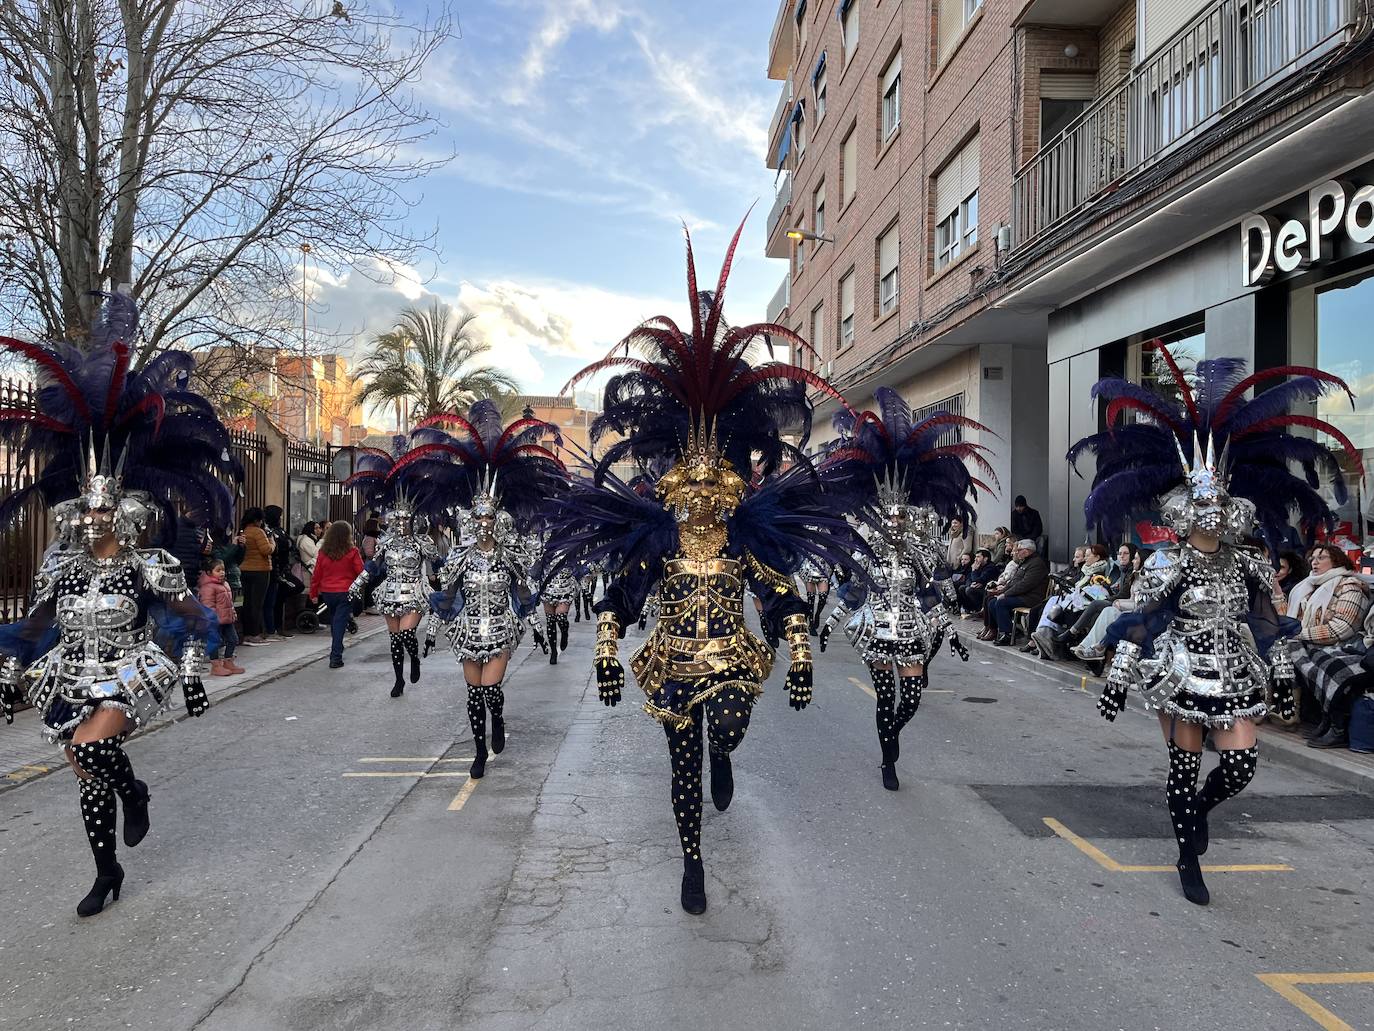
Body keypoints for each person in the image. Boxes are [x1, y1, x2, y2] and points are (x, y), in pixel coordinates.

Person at [544, 228, 866, 915]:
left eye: (708, 492)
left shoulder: (742, 539)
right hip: (672, 662)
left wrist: (800, 652)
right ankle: (692, 860)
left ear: (725, 489)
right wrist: (605, 650)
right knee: (679, 763)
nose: (697, 504)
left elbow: (779, 596)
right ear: (674, 489)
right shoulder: (660, 542)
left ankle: (726, 753)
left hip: (732, 662)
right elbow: (621, 595)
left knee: (725, 729)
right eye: (687, 493)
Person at [1071, 344, 1357, 906]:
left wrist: (1280, 674)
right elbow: (1143, 618)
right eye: (1205, 505)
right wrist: (1118, 675)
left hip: (1235, 667)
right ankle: (1187, 857)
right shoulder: (1168, 562)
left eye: (1221, 504)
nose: (1214, 514)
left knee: (1241, 765)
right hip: (1182, 667)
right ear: (1186, 509)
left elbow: (1268, 619)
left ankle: (1201, 808)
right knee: (1183, 765)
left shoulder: (1248, 562)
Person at [0, 294, 237, 917]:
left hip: (129, 671)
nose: (94, 518)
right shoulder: (61, 565)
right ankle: (107, 872)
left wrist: (193, 675)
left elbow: (191, 619)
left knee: (92, 752)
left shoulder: (146, 564)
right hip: (70, 673)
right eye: (88, 508)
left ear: (123, 511)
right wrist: (7, 673)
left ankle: (136, 792)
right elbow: (36, 624)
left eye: (104, 509)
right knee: (84, 775)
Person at [818, 388, 984, 791]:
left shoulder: (917, 552)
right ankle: (887, 760)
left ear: (907, 517)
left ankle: (891, 733)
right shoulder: (870, 550)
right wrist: (830, 623)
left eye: (899, 519)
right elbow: (854, 592)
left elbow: (929, 596)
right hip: (875, 628)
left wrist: (951, 634)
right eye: (888, 518)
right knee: (884, 696)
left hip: (910, 631)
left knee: (909, 699)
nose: (894, 524)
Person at [425, 400, 564, 781]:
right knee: (473, 695)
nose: (483, 523)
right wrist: (432, 632)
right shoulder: (460, 557)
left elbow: (524, 597)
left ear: (497, 518)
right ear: (472, 519)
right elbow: (447, 596)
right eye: (478, 517)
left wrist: (538, 630)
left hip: (501, 628)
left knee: (490, 692)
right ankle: (478, 751)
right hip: (468, 630)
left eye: (489, 516)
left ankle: (498, 720)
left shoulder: (509, 556)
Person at [345, 443, 444, 697]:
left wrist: (445, 588)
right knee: (395, 639)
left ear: (412, 520)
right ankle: (398, 679)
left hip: (414, 593)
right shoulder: (386, 543)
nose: (401, 524)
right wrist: (357, 583)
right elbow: (373, 565)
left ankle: (415, 659)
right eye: (397, 519)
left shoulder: (422, 543)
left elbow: (437, 566)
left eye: (405, 520)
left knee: (408, 634)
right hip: (390, 593)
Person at [1288, 544, 1372, 749]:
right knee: (1283, 649)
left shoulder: (1349, 586)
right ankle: (1291, 710)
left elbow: (1341, 629)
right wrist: (1276, 593)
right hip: (1313, 641)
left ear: (1336, 560)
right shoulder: (1307, 586)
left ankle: (1336, 725)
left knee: (1333, 667)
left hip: (1341, 643)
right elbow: (1289, 619)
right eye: (1312, 558)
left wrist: (1299, 635)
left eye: (1321, 557)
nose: (1314, 562)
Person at [1030, 542, 1114, 658]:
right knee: (1051, 602)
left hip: (1086, 602)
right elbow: (1074, 582)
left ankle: (1046, 637)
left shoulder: (1099, 572)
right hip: (1079, 600)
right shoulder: (1086, 570)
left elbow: (1096, 591)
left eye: (1087, 555)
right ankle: (1044, 634)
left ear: (1097, 557)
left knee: (1054, 604)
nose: (1085, 558)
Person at [1073, 547, 1152, 662]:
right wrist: (1118, 602)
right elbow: (1131, 599)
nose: (1133, 561)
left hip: (1138, 615)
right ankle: (1087, 646)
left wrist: (1120, 603)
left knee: (1105, 609)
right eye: (1119, 553)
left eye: (1135, 559)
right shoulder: (1135, 576)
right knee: (1107, 610)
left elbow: (1141, 604)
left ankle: (1093, 647)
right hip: (1127, 609)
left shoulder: (1147, 581)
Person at [310, 521, 365, 669]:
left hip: (328, 592)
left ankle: (337, 648)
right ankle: (335, 656)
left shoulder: (323, 552)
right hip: (346, 591)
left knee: (336, 619)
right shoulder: (352, 551)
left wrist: (313, 593)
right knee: (339, 621)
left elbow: (317, 574)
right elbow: (361, 572)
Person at [989, 540, 1049, 644]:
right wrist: (1002, 591)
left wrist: (1005, 594)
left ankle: (1007, 634)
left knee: (1001, 603)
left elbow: (1025, 584)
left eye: (1019, 550)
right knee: (992, 602)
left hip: (1031, 598)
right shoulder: (1025, 562)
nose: (1016, 552)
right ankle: (1010, 629)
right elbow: (1014, 581)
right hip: (1021, 595)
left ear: (1027, 551)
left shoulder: (1036, 564)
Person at [199, 559, 244, 677]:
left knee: (233, 639)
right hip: (215, 621)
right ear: (209, 572)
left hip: (227, 619)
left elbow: (229, 603)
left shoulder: (225, 584)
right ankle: (216, 666)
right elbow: (208, 605)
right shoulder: (208, 587)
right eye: (218, 570)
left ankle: (228, 662)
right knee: (215, 642)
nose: (222, 572)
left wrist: (233, 613)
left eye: (223, 570)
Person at [263, 505, 301, 640]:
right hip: (274, 568)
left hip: (283, 568)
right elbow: (278, 547)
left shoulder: (280, 530)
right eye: (279, 516)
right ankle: (272, 628)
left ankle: (279, 626)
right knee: (273, 600)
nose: (281, 518)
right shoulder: (268, 530)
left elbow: (290, 543)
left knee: (286, 593)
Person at [239, 508, 274, 645]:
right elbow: (266, 550)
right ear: (256, 520)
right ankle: (255, 634)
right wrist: (272, 542)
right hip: (260, 571)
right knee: (257, 603)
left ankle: (247, 633)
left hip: (244, 569)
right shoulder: (258, 532)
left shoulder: (243, 531)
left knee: (247, 603)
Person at [957, 548, 998, 614]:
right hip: (977, 587)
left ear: (985, 558)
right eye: (975, 557)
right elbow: (969, 578)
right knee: (962, 588)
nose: (975, 559)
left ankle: (980, 610)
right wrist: (971, 584)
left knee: (969, 590)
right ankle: (969, 609)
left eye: (978, 557)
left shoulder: (990, 567)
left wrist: (974, 570)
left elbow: (978, 580)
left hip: (986, 590)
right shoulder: (979, 565)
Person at [360, 517, 382, 614]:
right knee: (370, 585)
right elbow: (369, 553)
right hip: (371, 566)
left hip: (374, 565)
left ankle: (371, 604)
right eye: (377, 525)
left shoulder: (372, 538)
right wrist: (379, 553)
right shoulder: (369, 538)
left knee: (372, 585)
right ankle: (369, 604)